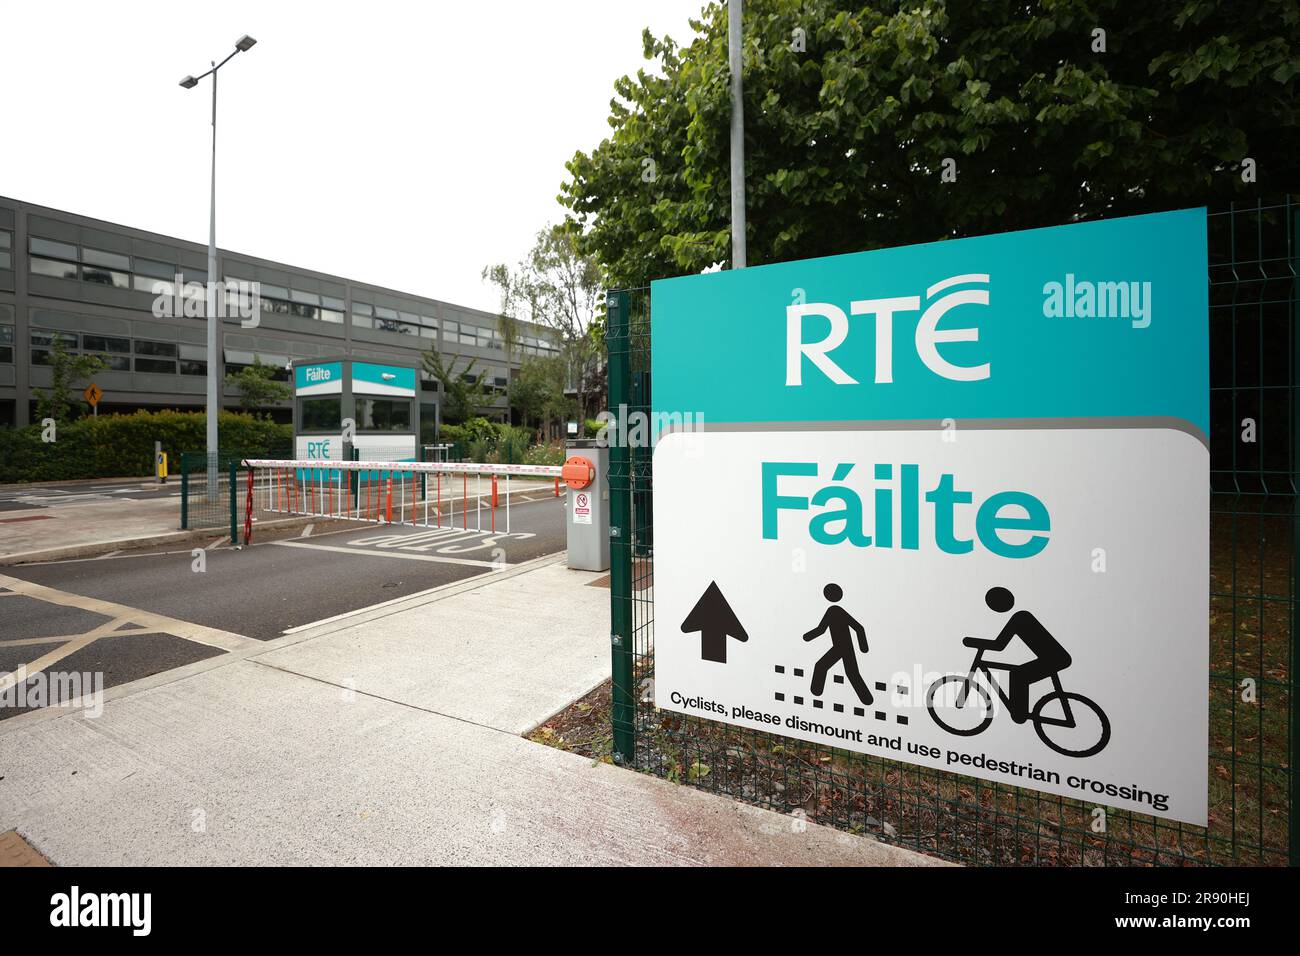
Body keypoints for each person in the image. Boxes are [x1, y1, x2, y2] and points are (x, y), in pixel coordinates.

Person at [963, 586, 1072, 723]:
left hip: (1055, 658)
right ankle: (1020, 713)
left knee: (1018, 674)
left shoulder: (1020, 618)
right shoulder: (1021, 616)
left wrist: (973, 642)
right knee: (1018, 672)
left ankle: (1020, 714)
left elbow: (999, 645)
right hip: (1055, 657)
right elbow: (1000, 645)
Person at [803, 583, 873, 706]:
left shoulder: (834, 610)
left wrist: (864, 647)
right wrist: (808, 637)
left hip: (842, 647)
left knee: (823, 666)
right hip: (843, 647)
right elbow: (822, 629)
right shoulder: (835, 610)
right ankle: (866, 699)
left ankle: (816, 691)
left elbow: (858, 628)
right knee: (850, 672)